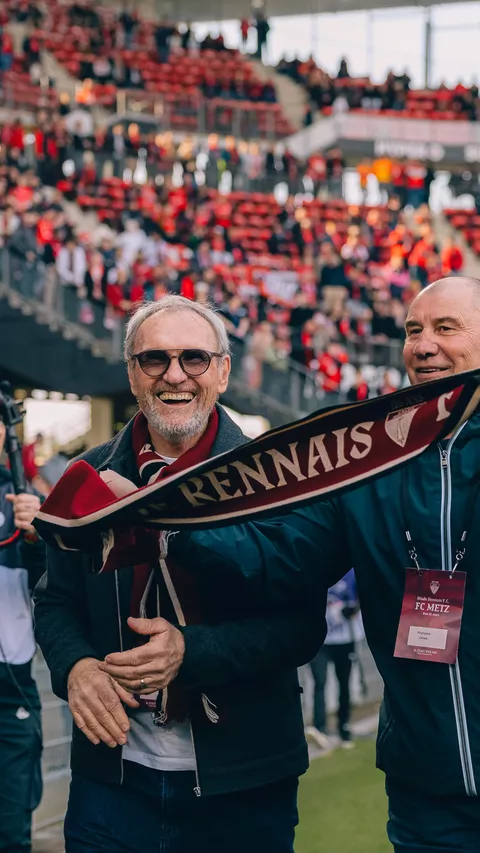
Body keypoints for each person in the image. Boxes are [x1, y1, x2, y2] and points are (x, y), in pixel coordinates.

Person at [144, 275, 480, 852]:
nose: (424, 344)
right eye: (413, 331)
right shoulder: (372, 454)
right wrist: (170, 515)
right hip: (427, 795)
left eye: (446, 328)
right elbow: (281, 557)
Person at [34, 296, 325, 853]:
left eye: (194, 358)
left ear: (222, 372)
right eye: (154, 360)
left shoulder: (276, 479)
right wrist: (75, 666)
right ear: (132, 373)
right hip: (111, 781)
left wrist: (191, 650)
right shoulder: (85, 477)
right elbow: (55, 602)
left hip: (244, 785)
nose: (175, 375)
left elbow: (301, 627)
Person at [0, 420, 44, 853]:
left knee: (12, 832)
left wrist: (37, 533)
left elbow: (58, 580)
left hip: (11, 691)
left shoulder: (25, 499)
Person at [306, 569, 364, 750]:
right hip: (318, 638)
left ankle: (343, 726)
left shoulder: (351, 573)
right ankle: (319, 728)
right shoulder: (314, 567)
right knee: (319, 682)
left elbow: (361, 596)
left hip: (344, 638)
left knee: (344, 683)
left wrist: (352, 609)